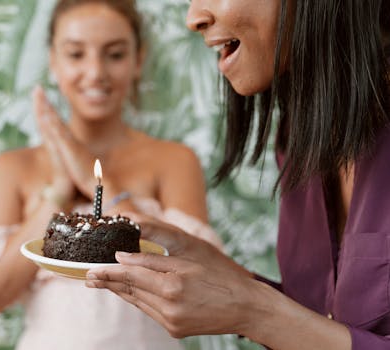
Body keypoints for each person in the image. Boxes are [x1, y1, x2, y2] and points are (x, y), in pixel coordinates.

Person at [85, 0, 390, 349]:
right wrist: (227, 278)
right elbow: (321, 321)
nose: (193, 18)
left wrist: (253, 312)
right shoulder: (299, 137)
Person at [0, 1, 222, 349]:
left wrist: (98, 179)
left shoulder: (174, 161)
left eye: (115, 54)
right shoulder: (14, 168)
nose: (95, 72)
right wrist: (59, 192)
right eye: (76, 54)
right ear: (53, 61)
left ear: (138, 60)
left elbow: (200, 278)